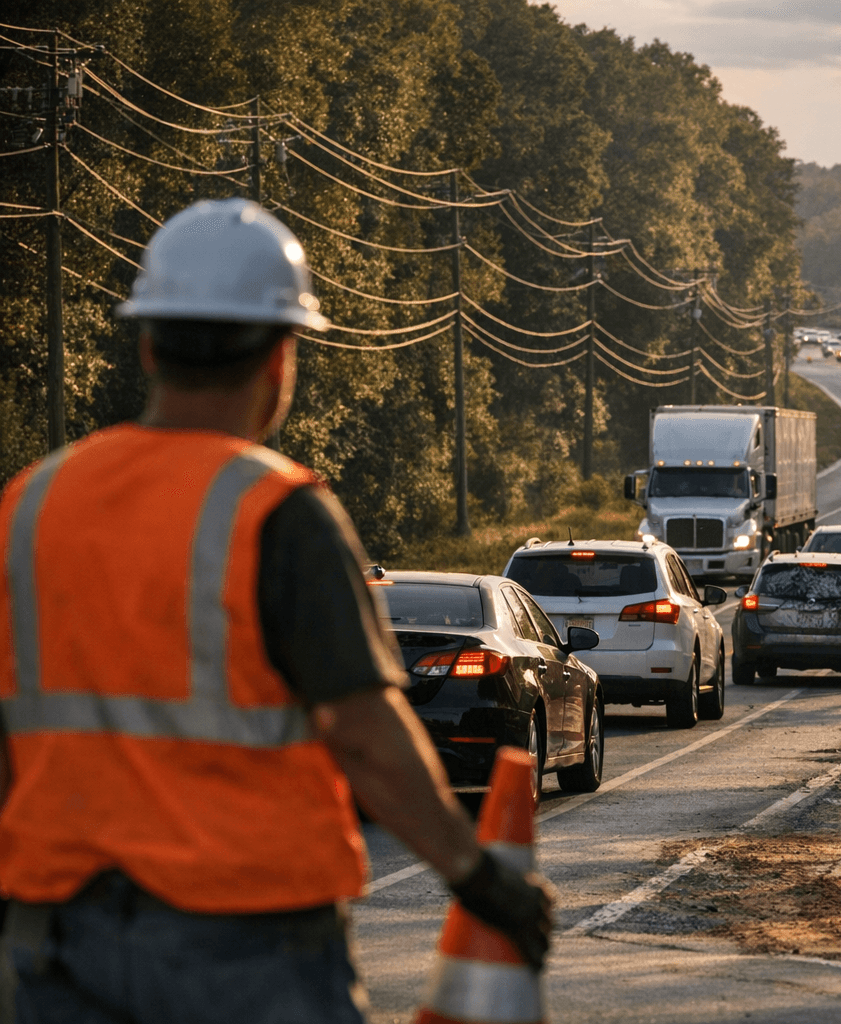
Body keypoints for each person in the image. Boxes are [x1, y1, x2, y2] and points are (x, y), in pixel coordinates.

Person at [0, 199, 552, 1023]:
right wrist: (477, 877)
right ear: (279, 358)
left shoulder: (32, 505)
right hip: (248, 946)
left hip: (56, 944)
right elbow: (364, 734)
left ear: (148, 346)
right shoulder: (278, 513)